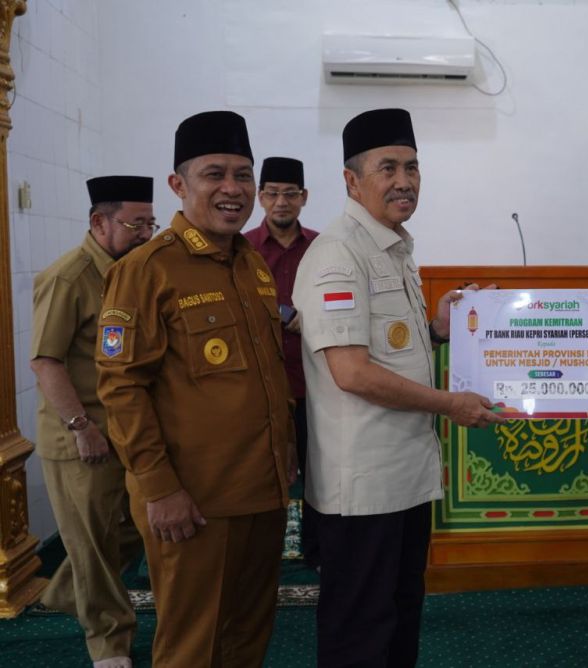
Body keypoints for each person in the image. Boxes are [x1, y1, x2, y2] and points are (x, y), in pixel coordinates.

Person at [293, 108, 503, 668]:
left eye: (412, 167)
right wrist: (450, 404)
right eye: (387, 168)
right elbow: (352, 372)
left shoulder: (393, 248)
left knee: (399, 620)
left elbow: (389, 352)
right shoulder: (339, 254)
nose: (404, 181)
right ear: (351, 180)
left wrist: (437, 330)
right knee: (360, 634)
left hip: (402, 479)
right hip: (363, 489)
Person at [95, 111, 296, 668]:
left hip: (262, 491)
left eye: (243, 175)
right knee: (193, 646)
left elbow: (268, 371)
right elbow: (121, 387)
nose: (233, 188)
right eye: (214, 174)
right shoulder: (147, 269)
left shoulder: (252, 265)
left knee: (247, 636)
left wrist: (285, 453)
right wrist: (159, 488)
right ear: (178, 184)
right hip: (193, 501)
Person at [31, 176, 154, 668]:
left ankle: (69, 587)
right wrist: (81, 427)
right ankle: (109, 642)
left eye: (151, 223)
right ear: (99, 222)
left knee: (138, 525)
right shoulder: (69, 277)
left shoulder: (133, 272)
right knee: (95, 545)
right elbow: (45, 361)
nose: (146, 234)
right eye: (135, 224)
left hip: (126, 427)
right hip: (81, 435)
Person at [244, 156, 320, 568]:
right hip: (263, 387)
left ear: (303, 197)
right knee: (264, 475)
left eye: (290, 194)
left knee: (318, 473)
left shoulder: (323, 248)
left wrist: (314, 319)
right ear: (260, 197)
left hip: (316, 384)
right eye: (272, 193)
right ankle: (262, 557)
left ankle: (318, 551)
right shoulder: (243, 249)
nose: (281, 202)